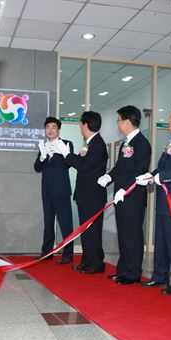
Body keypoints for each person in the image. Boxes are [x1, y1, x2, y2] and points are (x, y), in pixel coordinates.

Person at [136, 103, 171, 295]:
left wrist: (162, 177)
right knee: (160, 240)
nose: (168, 119)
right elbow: (162, 168)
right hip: (163, 200)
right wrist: (150, 176)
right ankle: (159, 276)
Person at [98, 105, 152, 285]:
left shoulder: (142, 144)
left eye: (119, 119)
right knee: (123, 234)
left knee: (133, 235)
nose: (118, 123)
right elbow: (120, 167)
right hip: (121, 196)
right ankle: (123, 270)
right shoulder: (126, 142)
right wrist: (109, 177)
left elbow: (140, 171)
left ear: (128, 121)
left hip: (133, 197)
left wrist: (125, 189)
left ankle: (133, 273)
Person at [52, 111, 108, 273]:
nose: (80, 127)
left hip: (93, 195)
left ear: (86, 125)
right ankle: (87, 260)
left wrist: (66, 153)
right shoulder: (90, 143)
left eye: (81, 124)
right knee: (86, 231)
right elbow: (81, 162)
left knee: (92, 231)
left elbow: (84, 166)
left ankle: (96, 264)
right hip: (85, 194)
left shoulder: (97, 144)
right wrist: (68, 156)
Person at [34, 117, 75, 264]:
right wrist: (43, 156)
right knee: (48, 223)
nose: (50, 130)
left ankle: (68, 254)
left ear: (58, 130)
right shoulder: (43, 145)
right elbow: (37, 167)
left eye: (53, 127)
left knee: (65, 223)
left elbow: (69, 163)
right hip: (47, 191)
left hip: (62, 191)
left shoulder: (66, 144)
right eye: (47, 127)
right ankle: (47, 252)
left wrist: (59, 153)